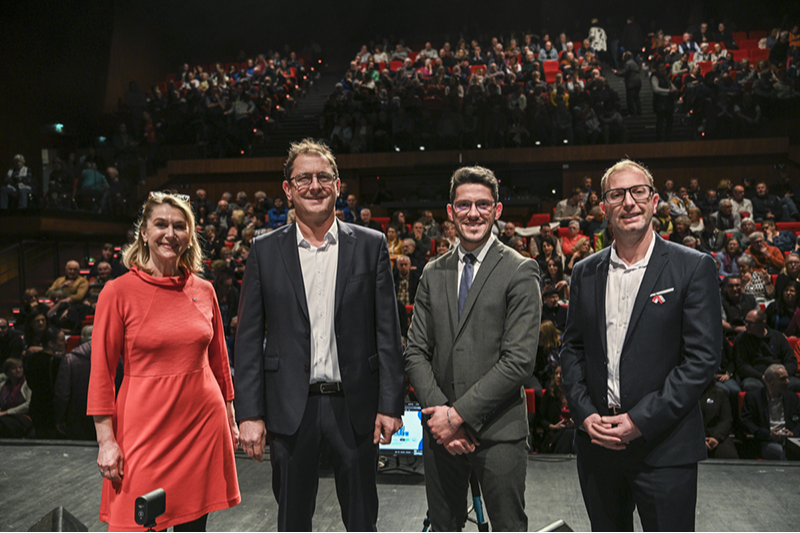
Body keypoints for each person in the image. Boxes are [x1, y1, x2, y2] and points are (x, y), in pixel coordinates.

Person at [235, 139, 404, 532]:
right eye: (304, 178)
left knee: (362, 521)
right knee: (292, 522)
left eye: (324, 177)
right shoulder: (264, 250)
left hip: (356, 407)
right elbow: (248, 340)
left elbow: (388, 331)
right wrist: (249, 413)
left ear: (338, 185)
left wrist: (390, 404)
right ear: (288, 189)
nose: (315, 186)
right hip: (289, 410)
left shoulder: (371, 245)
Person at [561, 159, 721, 531]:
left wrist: (638, 421)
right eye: (617, 195)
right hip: (599, 446)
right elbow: (573, 350)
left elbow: (702, 360)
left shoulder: (693, 266)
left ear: (654, 201)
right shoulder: (584, 271)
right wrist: (585, 415)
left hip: (664, 447)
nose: (629, 202)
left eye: (638, 192)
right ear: (604, 207)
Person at [87, 192, 240, 531]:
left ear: (190, 235)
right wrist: (106, 441)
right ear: (144, 232)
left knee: (192, 527)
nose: (170, 233)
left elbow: (219, 362)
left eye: (180, 226)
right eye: (161, 224)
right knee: (136, 523)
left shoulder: (205, 290)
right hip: (142, 432)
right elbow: (101, 373)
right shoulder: (117, 292)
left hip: (201, 427)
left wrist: (231, 418)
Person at [404, 165, 540, 532]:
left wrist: (457, 416)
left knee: (509, 527)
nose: (473, 213)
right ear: (451, 212)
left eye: (483, 204)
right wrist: (442, 418)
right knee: (444, 526)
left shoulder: (521, 270)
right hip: (441, 434)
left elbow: (518, 362)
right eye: (464, 205)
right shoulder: (432, 272)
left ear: (497, 210)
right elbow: (415, 351)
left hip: (499, 432)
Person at [741, 364, 800, 460]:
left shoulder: (792, 398)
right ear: (770, 381)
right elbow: (746, 423)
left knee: (790, 449)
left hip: (788, 440)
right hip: (765, 441)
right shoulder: (753, 397)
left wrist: (793, 433)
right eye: (783, 379)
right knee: (779, 452)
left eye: (787, 378)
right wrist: (769, 434)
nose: (788, 382)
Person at [734, 309, 800, 393]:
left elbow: (791, 360)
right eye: (745, 322)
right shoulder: (741, 339)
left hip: (779, 377)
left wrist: (783, 376)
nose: (746, 325)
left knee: (797, 384)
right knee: (750, 386)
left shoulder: (778, 336)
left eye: (750, 323)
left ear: (763, 323)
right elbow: (742, 365)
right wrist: (762, 377)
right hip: (756, 377)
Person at [54, 326, 95, 441]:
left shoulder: (70, 359)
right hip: (108, 417)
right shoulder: (116, 357)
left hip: (77, 418)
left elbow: (62, 394)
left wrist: (59, 419)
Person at [699, 380, 739, 459]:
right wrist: (699, 440)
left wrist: (716, 437)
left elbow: (726, 419)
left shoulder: (720, 394)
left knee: (729, 455)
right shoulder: (686, 395)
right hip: (693, 438)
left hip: (717, 436)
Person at [0, 358, 33, 438]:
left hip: (22, 416)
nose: (18, 370)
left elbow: (28, 405)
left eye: (20, 367)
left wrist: (7, 412)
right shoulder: (2, 386)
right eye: (14, 368)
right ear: (7, 371)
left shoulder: (27, 384)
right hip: (6, 417)